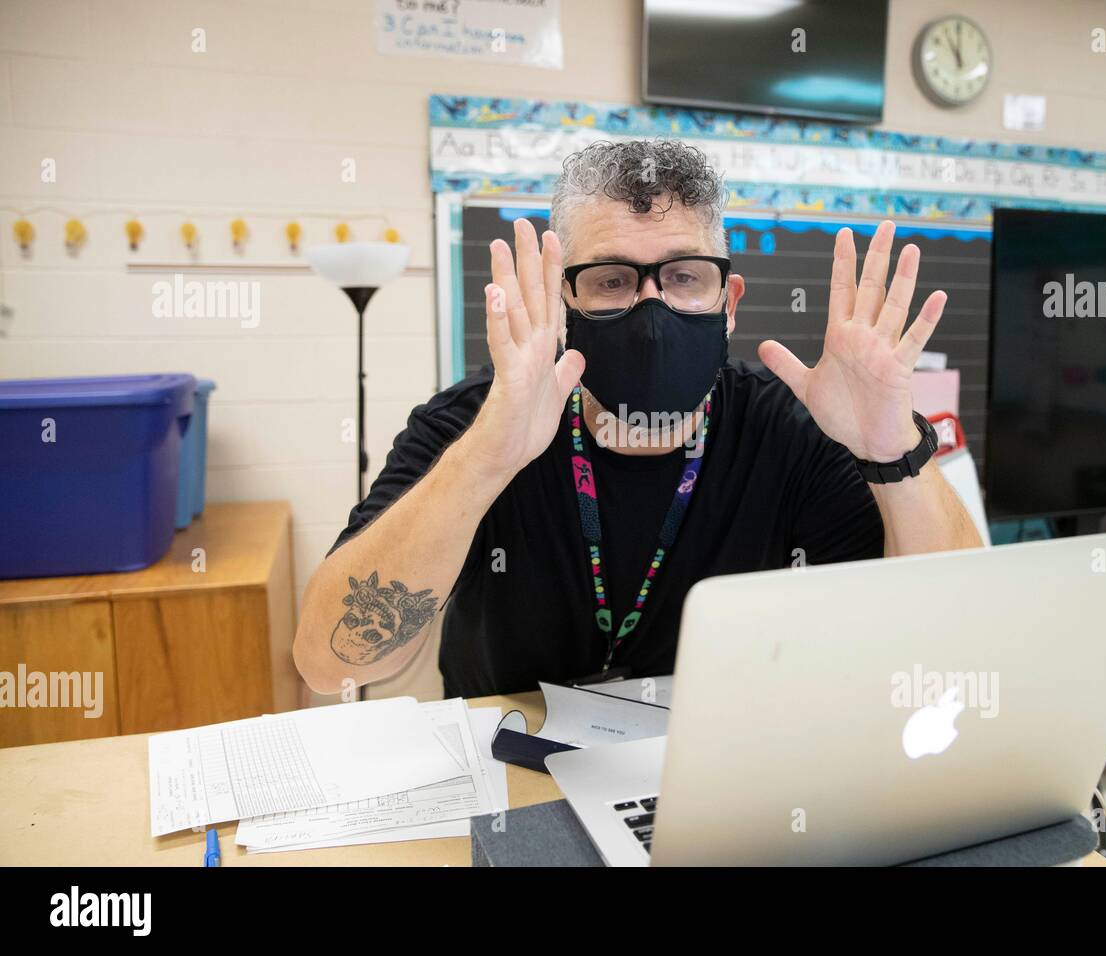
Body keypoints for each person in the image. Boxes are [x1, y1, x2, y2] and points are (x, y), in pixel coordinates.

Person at [293, 140, 981, 698]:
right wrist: (486, 461)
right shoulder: (475, 422)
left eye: (684, 276)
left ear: (729, 302)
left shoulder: (793, 428)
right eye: (612, 280)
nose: (652, 312)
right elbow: (330, 664)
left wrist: (891, 448)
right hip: (514, 771)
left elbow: (949, 640)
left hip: (715, 765)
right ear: (563, 303)